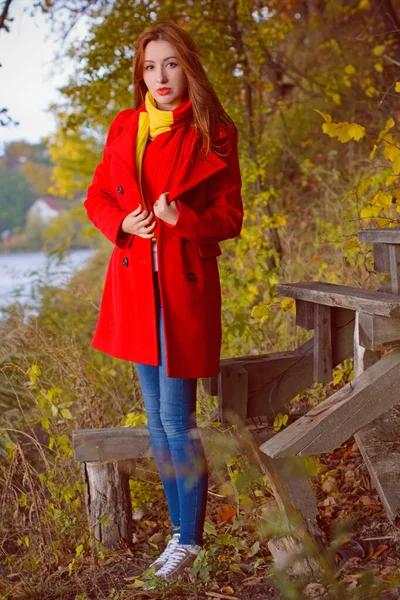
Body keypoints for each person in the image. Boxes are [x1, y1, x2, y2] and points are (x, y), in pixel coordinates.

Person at [84, 20, 243, 581]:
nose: (160, 77)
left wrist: (185, 219)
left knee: (178, 421)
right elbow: (97, 194)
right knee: (156, 421)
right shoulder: (126, 126)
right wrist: (121, 221)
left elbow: (231, 217)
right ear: (140, 74)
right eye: (150, 67)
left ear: (188, 67)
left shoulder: (213, 131)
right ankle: (180, 535)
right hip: (133, 288)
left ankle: (189, 542)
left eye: (170, 63)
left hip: (182, 290)